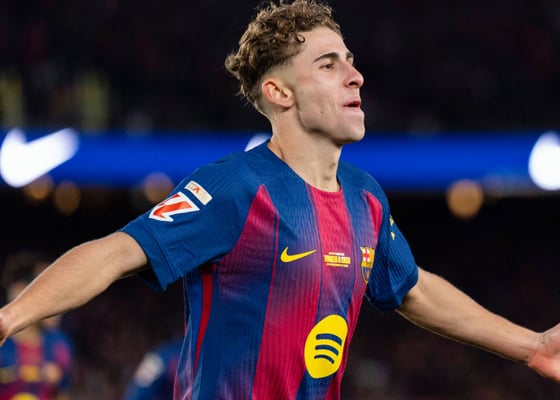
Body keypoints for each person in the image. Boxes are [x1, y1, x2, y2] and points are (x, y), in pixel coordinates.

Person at [0, 1, 559, 399]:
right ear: (279, 92)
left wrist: (532, 346)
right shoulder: (236, 186)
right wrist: (10, 317)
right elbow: (115, 252)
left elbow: (411, 289)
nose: (356, 76)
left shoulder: (365, 197)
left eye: (350, 59)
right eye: (329, 64)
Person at [0, 251, 73, 400]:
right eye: (48, 289)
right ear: (19, 290)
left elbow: (62, 395)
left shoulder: (61, 345)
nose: (58, 297)